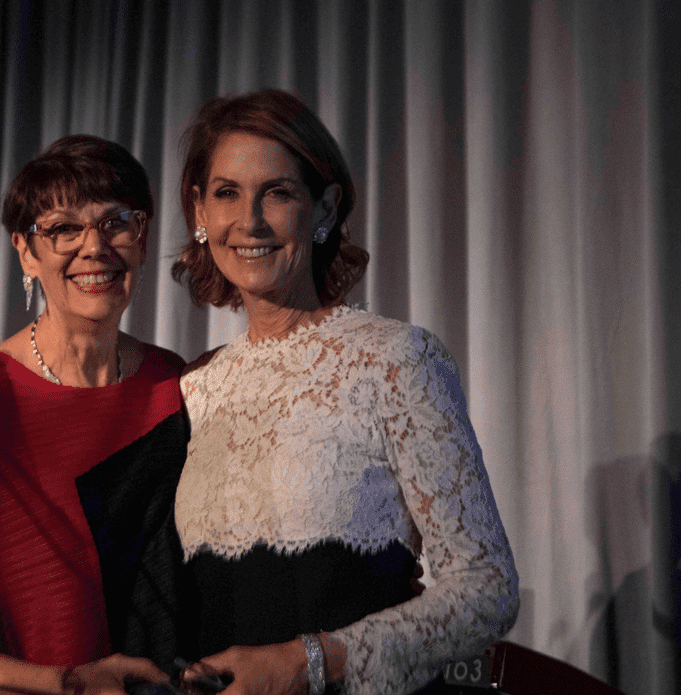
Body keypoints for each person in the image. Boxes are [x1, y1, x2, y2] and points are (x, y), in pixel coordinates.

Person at [171, 90, 519, 695]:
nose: (249, 220)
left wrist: (309, 663)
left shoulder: (397, 360)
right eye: (227, 192)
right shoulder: (192, 388)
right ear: (199, 212)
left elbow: (485, 589)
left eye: (277, 192)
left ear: (324, 208)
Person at [0, 135, 193, 695]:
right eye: (63, 229)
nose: (94, 248)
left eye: (115, 223)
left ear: (143, 236)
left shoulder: (173, 385)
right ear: (26, 251)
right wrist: (70, 685)